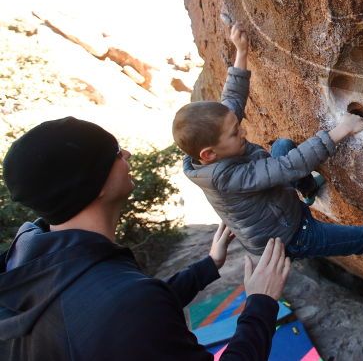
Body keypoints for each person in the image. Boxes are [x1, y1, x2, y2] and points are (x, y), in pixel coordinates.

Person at [172, 24, 363, 323]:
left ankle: (309, 191)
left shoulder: (210, 150)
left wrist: (241, 51)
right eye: (235, 134)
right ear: (209, 154)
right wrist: (341, 129)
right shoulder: (226, 179)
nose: (243, 131)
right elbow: (287, 167)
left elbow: (232, 101)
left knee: (284, 145)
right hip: (290, 235)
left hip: (277, 207)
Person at [0, 117, 289, 360]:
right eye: (115, 152)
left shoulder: (30, 253)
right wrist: (261, 302)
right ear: (93, 183)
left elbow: (129, 314)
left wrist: (209, 265)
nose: (127, 154)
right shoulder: (123, 303)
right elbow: (128, 311)